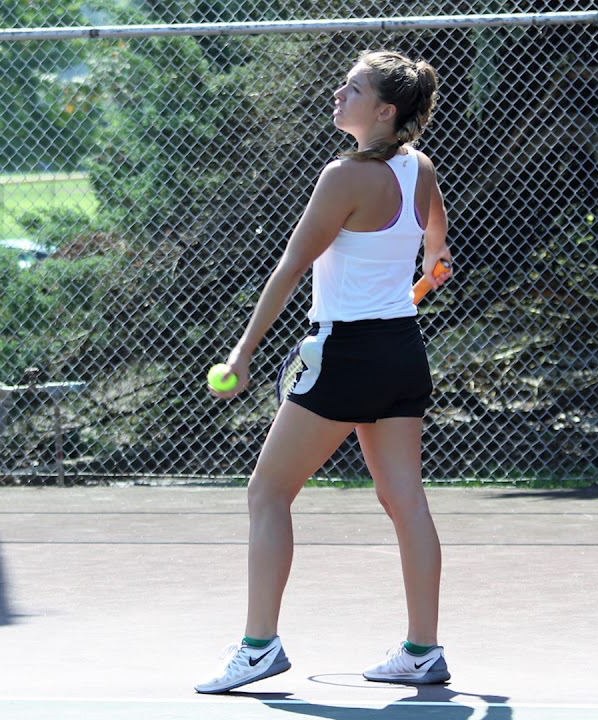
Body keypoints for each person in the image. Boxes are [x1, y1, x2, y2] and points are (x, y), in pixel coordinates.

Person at [195, 50, 454, 694]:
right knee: (405, 502)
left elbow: (289, 270)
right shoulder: (417, 168)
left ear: (385, 111)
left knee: (267, 492)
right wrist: (430, 261)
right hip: (401, 351)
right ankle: (423, 651)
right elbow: (437, 235)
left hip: (345, 354)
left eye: (353, 88)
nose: (339, 94)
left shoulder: (342, 177)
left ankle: (258, 648)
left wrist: (243, 352)